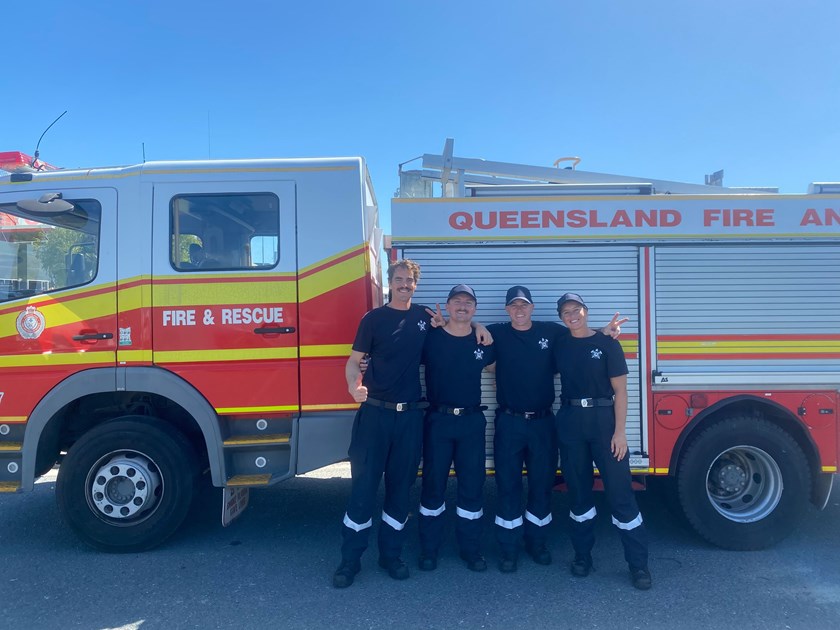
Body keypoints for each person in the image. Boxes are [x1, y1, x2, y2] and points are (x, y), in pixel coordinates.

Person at [333, 261, 490, 588]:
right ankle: (350, 562)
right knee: (363, 490)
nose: (405, 284)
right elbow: (353, 361)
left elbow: (456, 329)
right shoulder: (373, 319)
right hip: (374, 415)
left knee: (400, 490)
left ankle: (391, 556)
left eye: (410, 280)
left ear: (416, 285)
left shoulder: (425, 319)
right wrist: (353, 386)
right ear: (390, 283)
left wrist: (479, 325)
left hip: (410, 418)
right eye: (399, 279)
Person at [488, 285, 624, 573]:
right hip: (509, 422)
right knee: (508, 486)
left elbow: (580, 333)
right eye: (513, 306)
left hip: (543, 423)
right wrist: (474, 324)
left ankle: (537, 543)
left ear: (533, 308)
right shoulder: (496, 333)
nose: (519, 310)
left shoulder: (551, 332)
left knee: (541, 485)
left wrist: (605, 330)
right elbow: (464, 331)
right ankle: (508, 549)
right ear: (507, 310)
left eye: (524, 305)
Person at [553, 292, 651, 590]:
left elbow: (620, 391)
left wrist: (620, 432)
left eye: (577, 309)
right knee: (579, 494)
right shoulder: (559, 343)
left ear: (586, 311)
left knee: (621, 496)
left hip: (604, 424)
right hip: (570, 421)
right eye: (566, 312)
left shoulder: (608, 343)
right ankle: (583, 557)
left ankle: (638, 566)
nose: (572, 315)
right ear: (561, 318)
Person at [418, 284, 496, 573]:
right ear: (447, 307)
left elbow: (504, 368)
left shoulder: (484, 342)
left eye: (468, 303)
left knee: (472, 487)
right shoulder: (431, 338)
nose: (462, 306)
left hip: (471, 422)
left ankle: (471, 549)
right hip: (437, 420)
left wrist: (480, 326)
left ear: (474, 309)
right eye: (457, 301)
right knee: (433, 486)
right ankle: (429, 549)